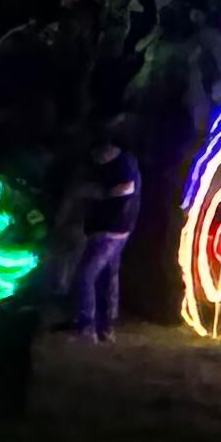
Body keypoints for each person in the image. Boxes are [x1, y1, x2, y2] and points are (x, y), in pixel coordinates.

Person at [67, 132, 139, 339]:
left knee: (86, 275)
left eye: (97, 155)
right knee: (108, 276)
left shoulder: (120, 165)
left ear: (106, 150)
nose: (95, 160)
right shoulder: (126, 161)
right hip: (118, 229)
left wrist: (99, 193)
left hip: (109, 231)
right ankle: (107, 327)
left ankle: (87, 326)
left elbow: (127, 188)